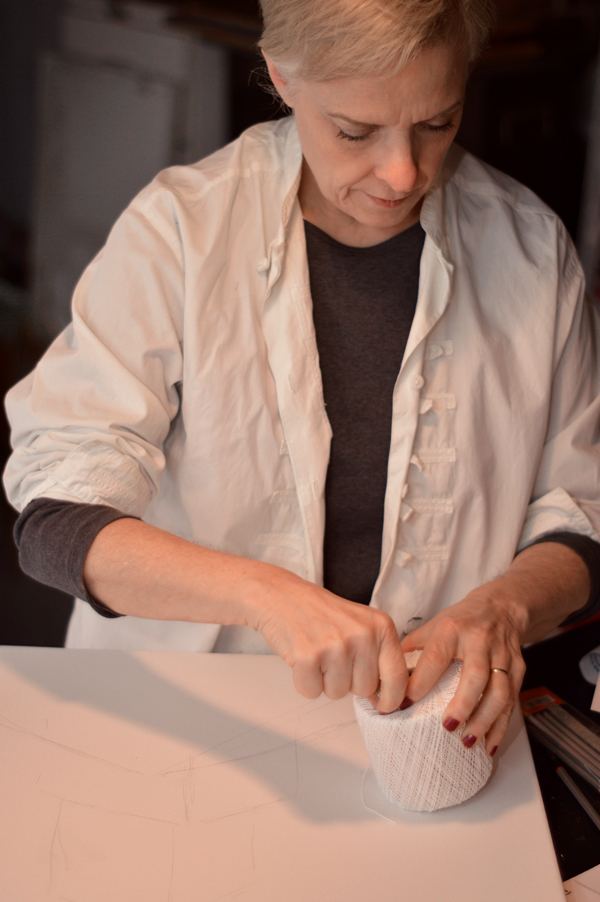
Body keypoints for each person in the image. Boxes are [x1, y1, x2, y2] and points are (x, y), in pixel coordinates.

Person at [4, 0, 600, 762]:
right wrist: (265, 597)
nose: (404, 172)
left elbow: (579, 513)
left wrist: (506, 607)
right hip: (183, 732)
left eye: (437, 122)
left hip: (431, 737)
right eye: (355, 131)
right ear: (282, 76)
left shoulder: (531, 252)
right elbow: (55, 521)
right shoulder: (180, 232)